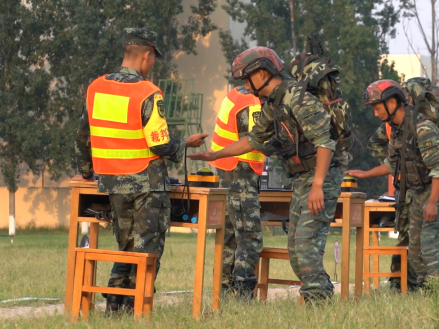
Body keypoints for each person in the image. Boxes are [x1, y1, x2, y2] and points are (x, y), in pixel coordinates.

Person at [187, 47, 349, 302]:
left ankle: (319, 302)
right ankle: (321, 296)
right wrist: (215, 155)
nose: (244, 85)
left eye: (246, 78)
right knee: (296, 249)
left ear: (261, 73)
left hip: (322, 175)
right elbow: (253, 139)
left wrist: (318, 184)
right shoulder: (275, 102)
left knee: (305, 246)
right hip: (302, 178)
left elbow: (325, 142)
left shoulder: (297, 98)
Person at [75, 28, 206, 313]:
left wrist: (86, 173)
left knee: (126, 247)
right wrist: (185, 143)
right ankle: (136, 309)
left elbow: (83, 136)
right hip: (147, 185)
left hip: (113, 184)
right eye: (152, 60)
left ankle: (115, 307)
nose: (152, 65)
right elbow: (159, 144)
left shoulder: (96, 87)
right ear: (147, 55)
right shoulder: (148, 92)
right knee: (147, 250)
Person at [347, 80, 439, 289]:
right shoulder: (397, 129)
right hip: (418, 193)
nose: (375, 114)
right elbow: (395, 163)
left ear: (392, 102)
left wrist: (433, 202)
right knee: (414, 250)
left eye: (377, 107)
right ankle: (426, 293)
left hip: (437, 193)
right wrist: (367, 174)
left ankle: (437, 296)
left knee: (430, 246)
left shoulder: (423, 127)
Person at [208, 86, 264, 299]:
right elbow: (254, 141)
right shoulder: (251, 104)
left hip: (229, 171)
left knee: (230, 235)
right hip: (240, 172)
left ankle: (223, 291)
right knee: (249, 236)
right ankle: (242, 294)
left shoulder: (236, 95)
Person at [351, 114, 418, 292]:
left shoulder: (422, 121)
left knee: (421, 238)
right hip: (404, 187)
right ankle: (398, 283)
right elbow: (375, 143)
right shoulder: (391, 124)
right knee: (405, 237)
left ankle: (421, 283)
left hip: (423, 186)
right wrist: (395, 166)